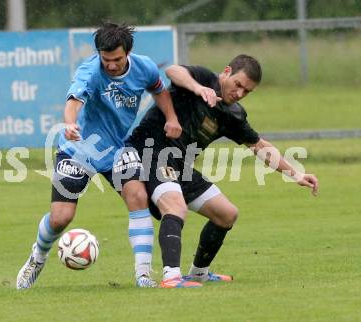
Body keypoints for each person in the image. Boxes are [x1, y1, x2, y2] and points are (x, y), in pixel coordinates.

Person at [127, 54, 319, 288]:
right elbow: (173, 71)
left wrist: (296, 174)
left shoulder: (233, 114)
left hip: (179, 165)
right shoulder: (204, 79)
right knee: (175, 206)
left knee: (227, 214)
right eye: (238, 85)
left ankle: (198, 273)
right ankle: (171, 277)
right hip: (150, 151)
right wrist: (199, 89)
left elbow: (259, 145)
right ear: (226, 72)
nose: (239, 93)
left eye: (246, 91)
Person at [16, 22, 182, 289]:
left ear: (128, 52)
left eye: (116, 59)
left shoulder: (144, 67)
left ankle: (142, 275)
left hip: (117, 148)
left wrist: (171, 117)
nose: (111, 65)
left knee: (137, 197)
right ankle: (37, 256)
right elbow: (73, 102)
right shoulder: (90, 71)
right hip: (80, 148)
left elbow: (159, 89)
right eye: (106, 59)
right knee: (61, 217)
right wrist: (69, 123)